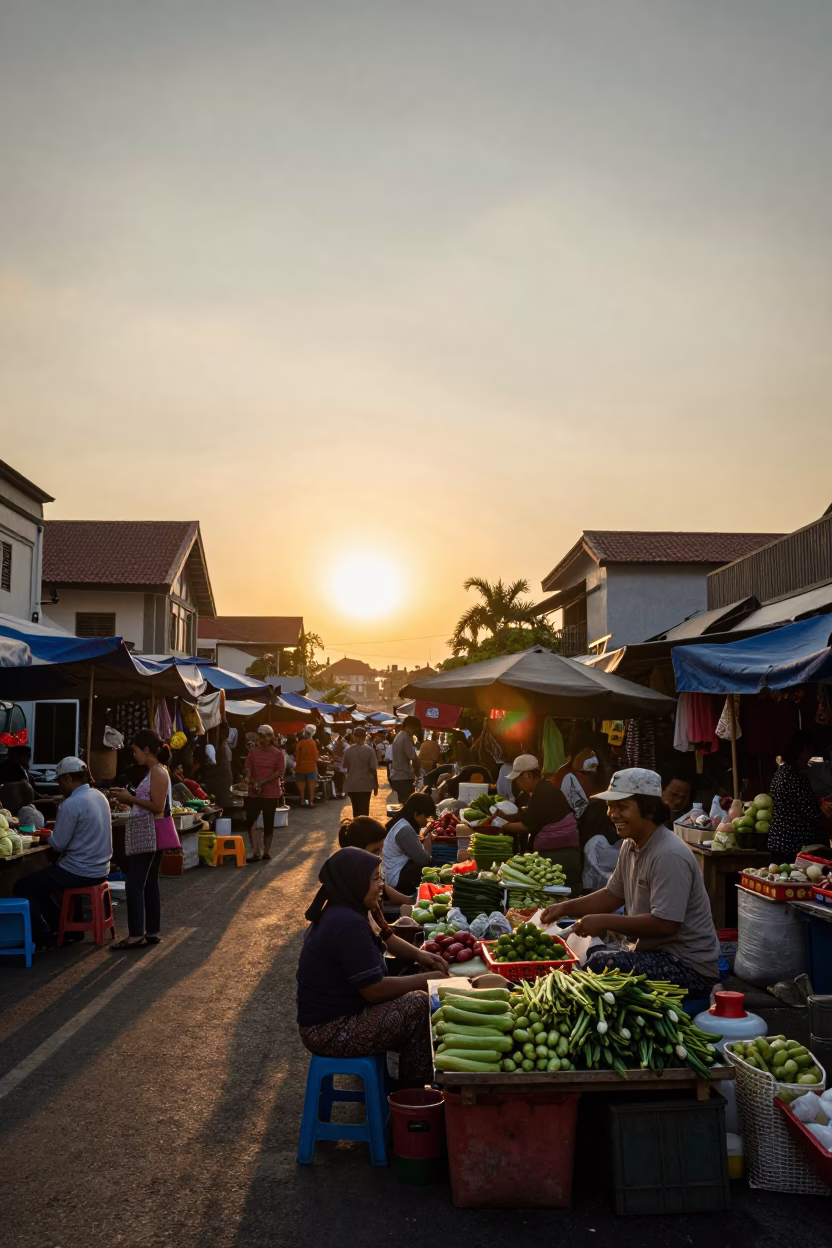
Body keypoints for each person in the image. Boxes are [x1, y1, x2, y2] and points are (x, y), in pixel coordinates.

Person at [541, 768, 720, 995]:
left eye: (622, 806)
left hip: (687, 967)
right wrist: (565, 907)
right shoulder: (630, 844)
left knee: (599, 964)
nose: (612, 814)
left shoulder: (668, 854)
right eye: (610, 806)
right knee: (591, 956)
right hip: (651, 950)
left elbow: (666, 923)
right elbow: (612, 895)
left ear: (649, 809)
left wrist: (603, 921)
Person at [296, 848, 448, 1087]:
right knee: (417, 1004)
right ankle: (414, 1095)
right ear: (355, 880)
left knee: (410, 987)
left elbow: (387, 938)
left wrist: (423, 957)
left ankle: (400, 1083)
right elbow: (373, 990)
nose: (381, 886)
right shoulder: (346, 924)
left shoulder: (348, 908)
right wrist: (429, 980)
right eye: (376, 879)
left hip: (338, 1016)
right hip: (330, 1030)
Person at [14, 757, 112, 948]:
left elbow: (58, 845)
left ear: (67, 779)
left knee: (23, 886)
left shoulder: (71, 804)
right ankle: (67, 928)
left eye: (59, 781)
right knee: (40, 885)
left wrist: (44, 836)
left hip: (79, 870)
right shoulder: (99, 796)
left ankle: (44, 935)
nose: (59, 787)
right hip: (101, 868)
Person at [109, 730, 181, 949]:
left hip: (152, 831)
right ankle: (150, 932)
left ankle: (136, 935)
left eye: (136, 750)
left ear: (147, 749)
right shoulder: (156, 771)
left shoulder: (158, 772)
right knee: (148, 882)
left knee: (134, 883)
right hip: (151, 830)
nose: (134, 755)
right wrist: (130, 799)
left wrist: (129, 798)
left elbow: (157, 807)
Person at [768, 730, 830, 860]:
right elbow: (811, 813)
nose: (810, 758)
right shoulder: (796, 778)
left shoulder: (780, 773)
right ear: (804, 750)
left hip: (777, 841)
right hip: (794, 845)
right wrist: (824, 808)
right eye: (810, 753)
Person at [497, 754, 576, 850]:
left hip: (559, 848)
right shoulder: (544, 787)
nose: (516, 783)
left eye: (517, 779)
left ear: (528, 775)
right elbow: (530, 815)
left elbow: (525, 827)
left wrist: (501, 824)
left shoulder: (542, 793)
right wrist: (507, 817)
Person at [337, 815, 415, 906]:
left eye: (381, 848)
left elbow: (383, 887)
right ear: (357, 850)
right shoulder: (354, 878)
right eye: (375, 850)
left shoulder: (368, 866)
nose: (380, 855)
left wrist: (410, 900)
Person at [243, 724, 286, 860]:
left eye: (266, 736)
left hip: (271, 792)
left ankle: (266, 851)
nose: (263, 739)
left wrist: (264, 781)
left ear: (271, 737)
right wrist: (249, 777)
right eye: (261, 736)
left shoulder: (277, 754)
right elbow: (248, 767)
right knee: (251, 821)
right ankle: (256, 851)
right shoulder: (253, 752)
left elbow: (279, 771)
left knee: (268, 822)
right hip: (254, 791)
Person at [382, 792, 436, 894]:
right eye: (426, 817)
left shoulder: (401, 823)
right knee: (433, 868)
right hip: (396, 879)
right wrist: (428, 842)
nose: (427, 821)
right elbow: (424, 859)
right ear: (416, 814)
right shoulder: (405, 830)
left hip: (394, 873)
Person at [342, 727, 379, 817]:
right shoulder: (370, 750)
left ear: (354, 737)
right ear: (365, 737)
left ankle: (356, 828)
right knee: (364, 811)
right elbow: (373, 769)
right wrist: (376, 785)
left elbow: (345, 766)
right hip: (365, 784)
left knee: (356, 811)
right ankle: (363, 829)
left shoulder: (348, 750)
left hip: (352, 784)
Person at [389, 716, 421, 803]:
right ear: (411, 727)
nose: (415, 732)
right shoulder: (406, 737)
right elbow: (413, 757)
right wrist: (419, 770)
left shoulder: (399, 736)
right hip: (404, 778)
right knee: (407, 805)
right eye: (416, 728)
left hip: (397, 777)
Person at [294, 725, 320, 808]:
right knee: (311, 787)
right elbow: (315, 757)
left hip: (300, 768)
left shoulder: (299, 743)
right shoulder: (313, 743)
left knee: (301, 788)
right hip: (311, 767)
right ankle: (311, 802)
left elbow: (297, 756)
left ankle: (302, 801)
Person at [330, 732, 348, 798]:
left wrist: (335, 757)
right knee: (339, 779)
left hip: (342, 765)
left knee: (341, 779)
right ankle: (340, 792)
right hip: (340, 765)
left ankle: (342, 793)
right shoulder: (337, 744)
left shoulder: (345, 745)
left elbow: (340, 754)